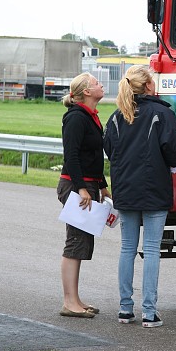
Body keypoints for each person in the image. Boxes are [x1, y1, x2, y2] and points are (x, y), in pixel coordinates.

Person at [103, 65, 176, 328]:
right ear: (149, 86)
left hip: (125, 190)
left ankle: (125, 309)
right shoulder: (161, 113)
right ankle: (149, 312)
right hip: (154, 189)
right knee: (151, 250)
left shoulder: (116, 117)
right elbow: (173, 150)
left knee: (127, 249)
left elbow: (109, 150)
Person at [57, 72, 111, 318]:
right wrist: (80, 188)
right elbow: (72, 156)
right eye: (96, 83)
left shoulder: (91, 117)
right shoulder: (76, 118)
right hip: (76, 186)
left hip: (88, 185)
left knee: (81, 242)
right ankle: (69, 302)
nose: (101, 85)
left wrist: (102, 185)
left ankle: (75, 299)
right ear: (86, 92)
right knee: (75, 241)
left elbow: (93, 158)